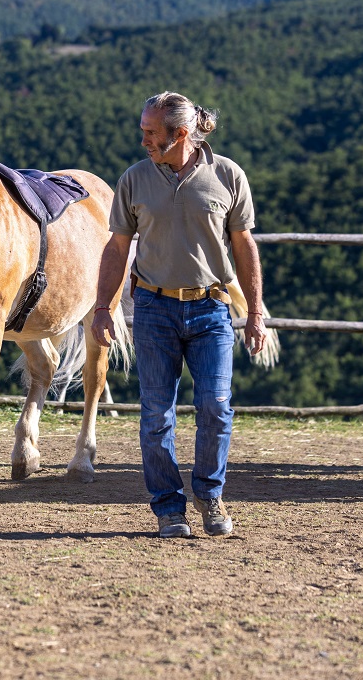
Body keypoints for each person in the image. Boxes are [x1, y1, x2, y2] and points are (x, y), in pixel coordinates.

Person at [91, 91, 267, 539]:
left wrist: (256, 312)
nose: (144, 139)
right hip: (153, 307)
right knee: (156, 415)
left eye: (151, 132)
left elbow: (244, 245)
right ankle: (169, 507)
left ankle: (209, 494)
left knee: (215, 406)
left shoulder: (228, 175)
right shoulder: (133, 180)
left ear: (181, 134)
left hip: (211, 308)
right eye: (144, 130)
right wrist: (102, 308)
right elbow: (116, 249)